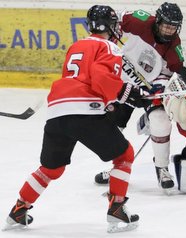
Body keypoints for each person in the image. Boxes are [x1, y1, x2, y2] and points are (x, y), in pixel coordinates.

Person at [3, 5, 146, 233]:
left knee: (51, 168)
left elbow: (80, 78)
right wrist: (126, 92)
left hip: (57, 112)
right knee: (124, 155)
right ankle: (117, 207)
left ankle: (19, 208)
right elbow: (100, 76)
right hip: (84, 111)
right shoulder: (110, 47)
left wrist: (111, 103)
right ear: (110, 26)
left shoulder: (76, 45)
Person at [94, 2, 184, 191]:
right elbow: (113, 18)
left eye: (173, 27)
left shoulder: (174, 45)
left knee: (160, 119)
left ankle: (162, 168)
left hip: (148, 86)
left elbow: (177, 72)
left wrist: (165, 91)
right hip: (121, 82)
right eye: (166, 25)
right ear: (157, 21)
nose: (169, 31)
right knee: (111, 127)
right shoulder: (139, 20)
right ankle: (118, 168)